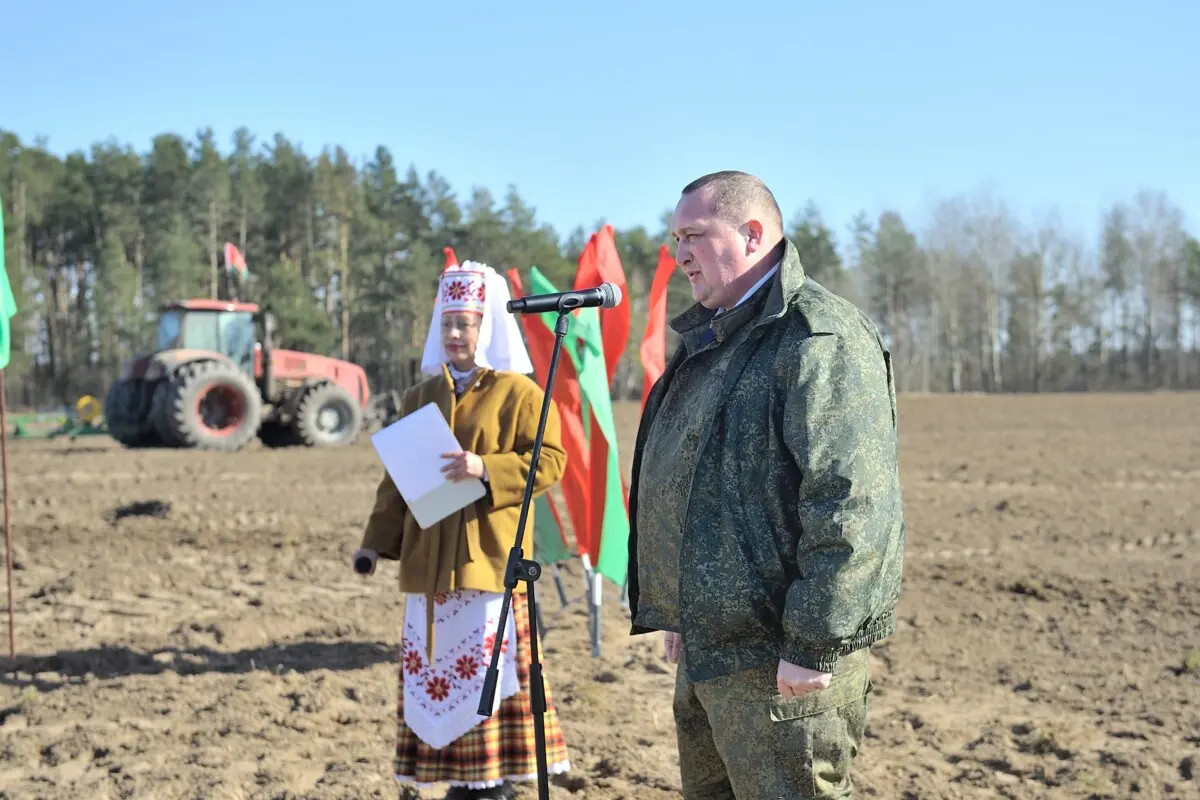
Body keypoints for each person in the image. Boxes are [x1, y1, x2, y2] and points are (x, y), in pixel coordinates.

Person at [626, 171, 906, 799]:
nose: (681, 256)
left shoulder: (817, 338)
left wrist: (813, 642)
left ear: (752, 234)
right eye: (675, 239)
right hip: (709, 651)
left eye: (694, 235)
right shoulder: (712, 339)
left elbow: (852, 505)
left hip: (779, 664)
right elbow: (695, 485)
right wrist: (677, 604)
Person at [353, 259, 572, 800]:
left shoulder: (520, 393)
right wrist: (373, 546)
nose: (454, 334)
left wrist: (486, 468)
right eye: (447, 322)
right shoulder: (417, 397)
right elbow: (396, 483)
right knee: (437, 676)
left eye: (466, 323)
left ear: (488, 326)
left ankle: (493, 782)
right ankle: (456, 778)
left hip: (489, 562)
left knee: (488, 678)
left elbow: (551, 459)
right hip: (429, 566)